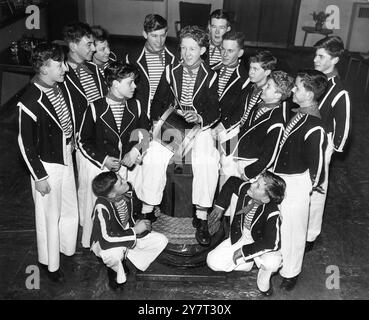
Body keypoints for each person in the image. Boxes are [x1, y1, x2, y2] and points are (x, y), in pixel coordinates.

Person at [134, 25, 220, 246]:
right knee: (153, 155)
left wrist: (199, 117)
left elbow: (214, 109)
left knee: (208, 160)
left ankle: (201, 215)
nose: (186, 53)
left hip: (199, 127)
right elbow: (158, 101)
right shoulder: (171, 70)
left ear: (202, 50)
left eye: (192, 49)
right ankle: (148, 209)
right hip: (174, 123)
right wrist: (163, 121)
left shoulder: (211, 75)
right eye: (183, 48)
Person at [18, 42, 78, 283]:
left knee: (69, 207)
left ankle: (67, 248)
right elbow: (25, 143)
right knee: (48, 216)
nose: (65, 68)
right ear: (43, 68)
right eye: (59, 64)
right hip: (47, 165)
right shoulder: (30, 98)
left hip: (64, 154)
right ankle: (49, 263)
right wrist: (39, 177)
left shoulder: (56, 85)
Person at [78, 61, 150, 248]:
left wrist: (135, 151)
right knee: (100, 210)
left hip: (125, 170)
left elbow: (145, 133)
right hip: (102, 171)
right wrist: (103, 160)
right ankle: (96, 243)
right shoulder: (95, 107)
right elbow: (82, 141)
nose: (135, 86)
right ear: (115, 84)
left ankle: (125, 237)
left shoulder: (136, 105)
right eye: (130, 82)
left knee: (125, 206)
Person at [272, 70, 328, 291]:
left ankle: (291, 272)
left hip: (297, 181)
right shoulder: (299, 112)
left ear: (310, 94)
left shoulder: (315, 125)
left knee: (295, 229)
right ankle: (277, 258)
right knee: (281, 223)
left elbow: (318, 165)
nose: (293, 89)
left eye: (297, 87)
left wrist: (308, 186)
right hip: (283, 176)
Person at [63, 22, 108, 243]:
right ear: (73, 45)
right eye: (88, 44)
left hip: (102, 132)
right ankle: (89, 234)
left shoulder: (94, 69)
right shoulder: (62, 73)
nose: (93, 48)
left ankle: (106, 226)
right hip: (83, 137)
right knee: (88, 186)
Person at [206, 171, 286, 296]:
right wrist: (219, 207)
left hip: (260, 245)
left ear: (265, 199)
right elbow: (232, 181)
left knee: (272, 261)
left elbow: (271, 243)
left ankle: (263, 279)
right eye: (256, 181)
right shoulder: (247, 190)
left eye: (258, 186)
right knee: (212, 261)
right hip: (242, 238)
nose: (252, 184)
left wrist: (243, 251)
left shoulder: (272, 212)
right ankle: (249, 263)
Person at [307, 36, 351, 251]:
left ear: (334, 60)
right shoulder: (315, 80)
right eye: (316, 55)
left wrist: (330, 149)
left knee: (317, 190)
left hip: (322, 145)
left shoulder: (339, 91)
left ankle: (310, 235)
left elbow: (344, 127)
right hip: (306, 140)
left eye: (321, 56)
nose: (315, 59)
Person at [90, 171, 168, 291]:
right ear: (111, 194)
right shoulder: (101, 207)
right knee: (114, 254)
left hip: (126, 231)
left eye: (121, 178)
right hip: (105, 242)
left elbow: (137, 210)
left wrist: (152, 214)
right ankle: (114, 271)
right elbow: (106, 239)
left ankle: (128, 260)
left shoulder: (128, 190)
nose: (125, 181)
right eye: (121, 183)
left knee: (161, 240)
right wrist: (135, 231)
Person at [221, 71, 294, 185]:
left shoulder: (277, 121)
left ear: (277, 95)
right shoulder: (259, 106)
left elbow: (269, 156)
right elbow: (244, 132)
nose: (264, 88)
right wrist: (225, 148)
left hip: (251, 168)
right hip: (238, 157)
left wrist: (248, 173)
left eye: (268, 86)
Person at [126, 14, 176, 120]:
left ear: (167, 33)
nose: (159, 41)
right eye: (154, 36)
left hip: (167, 116)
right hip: (141, 114)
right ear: (145, 34)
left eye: (162, 35)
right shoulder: (133, 58)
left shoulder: (175, 56)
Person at [239, 51, 277, 127]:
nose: (250, 72)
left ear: (267, 72)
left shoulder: (269, 96)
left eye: (255, 69)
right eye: (250, 67)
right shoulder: (248, 86)